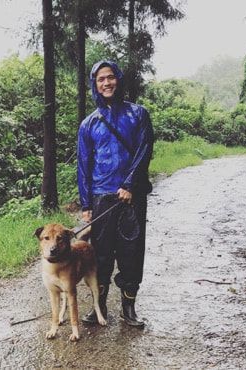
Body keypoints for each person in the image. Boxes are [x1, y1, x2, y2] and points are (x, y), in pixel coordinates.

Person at [77, 60, 154, 327]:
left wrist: (130, 185)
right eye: (101, 79)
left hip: (131, 198)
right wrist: (86, 205)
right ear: (94, 85)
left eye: (110, 77)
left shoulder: (138, 114)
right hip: (101, 198)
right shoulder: (88, 124)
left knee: (132, 252)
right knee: (100, 255)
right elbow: (83, 166)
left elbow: (144, 151)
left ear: (118, 80)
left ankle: (128, 309)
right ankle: (99, 308)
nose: (106, 83)